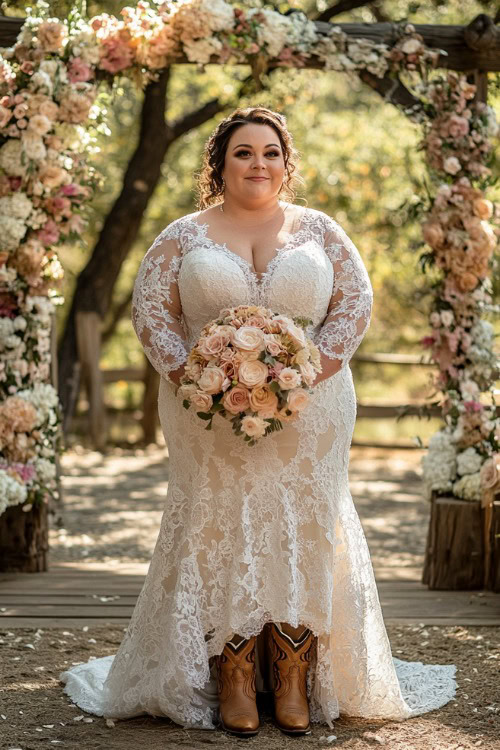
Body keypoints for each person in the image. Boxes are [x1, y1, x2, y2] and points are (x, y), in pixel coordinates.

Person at [60, 106, 456, 738]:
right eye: (243, 152)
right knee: (215, 522)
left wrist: (304, 374)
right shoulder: (181, 236)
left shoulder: (321, 231)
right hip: (206, 409)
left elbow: (356, 303)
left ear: (285, 161)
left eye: (270, 152)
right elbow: (151, 314)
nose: (258, 164)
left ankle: (295, 671)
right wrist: (191, 376)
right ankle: (234, 671)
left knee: (304, 520)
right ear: (219, 163)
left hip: (314, 409)